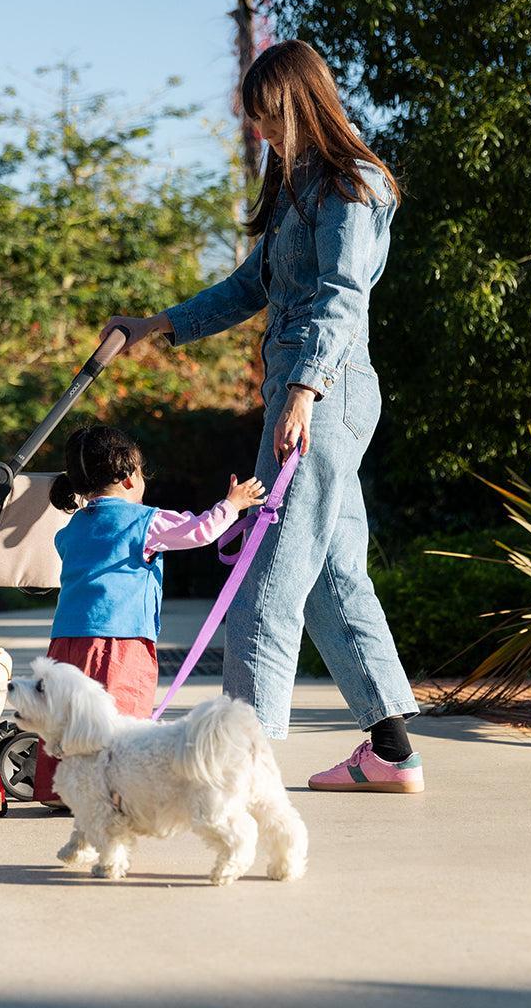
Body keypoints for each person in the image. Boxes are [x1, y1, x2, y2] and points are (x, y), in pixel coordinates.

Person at [100, 39, 424, 794]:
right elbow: (253, 285)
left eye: (268, 117)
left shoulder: (351, 184)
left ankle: (236, 765)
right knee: (332, 575)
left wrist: (305, 392)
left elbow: (344, 295)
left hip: (328, 390)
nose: (261, 134)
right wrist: (159, 323)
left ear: (300, 101)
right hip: (306, 394)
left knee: (268, 570)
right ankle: (392, 749)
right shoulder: (297, 189)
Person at [34, 424, 266, 808]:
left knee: (67, 714)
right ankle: (117, 790)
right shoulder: (145, 521)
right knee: (121, 716)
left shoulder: (72, 528)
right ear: (128, 478)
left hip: (68, 640)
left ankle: (63, 788)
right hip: (120, 639)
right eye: (142, 474)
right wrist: (233, 504)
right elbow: (200, 530)